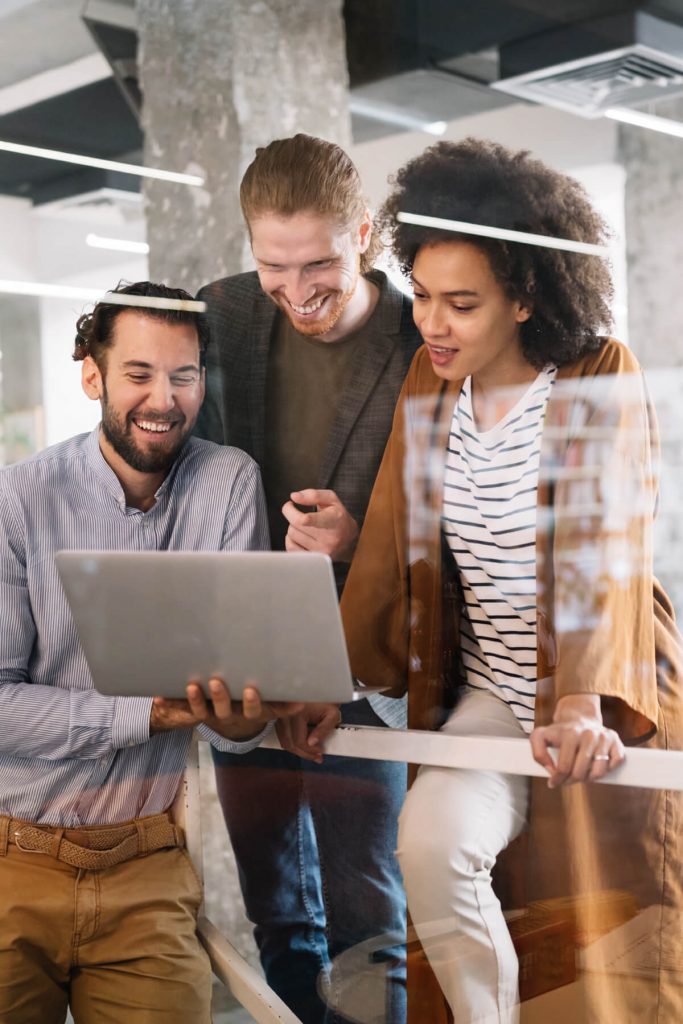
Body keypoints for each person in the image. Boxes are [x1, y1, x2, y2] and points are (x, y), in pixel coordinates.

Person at [340, 139, 683, 1024]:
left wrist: (580, 698)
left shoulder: (597, 370)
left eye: (462, 303)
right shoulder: (429, 381)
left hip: (602, 692)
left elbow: (607, 547)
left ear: (526, 298)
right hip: (489, 691)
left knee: (621, 936)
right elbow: (389, 535)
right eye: (421, 297)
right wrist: (326, 680)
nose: (433, 324)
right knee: (430, 846)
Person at [0, 281, 318, 1024]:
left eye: (183, 375)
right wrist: (152, 711)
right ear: (92, 375)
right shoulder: (16, 500)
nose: (164, 399)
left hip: (148, 869)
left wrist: (255, 706)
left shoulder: (229, 479)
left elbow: (232, 717)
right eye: (139, 374)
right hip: (12, 865)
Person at [195, 133, 421, 1023]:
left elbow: (456, 525)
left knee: (367, 910)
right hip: (245, 658)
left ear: (362, 232)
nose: (297, 293)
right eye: (273, 267)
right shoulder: (222, 315)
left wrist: (358, 539)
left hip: (362, 663)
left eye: (320, 263)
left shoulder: (417, 337)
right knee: (274, 907)